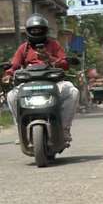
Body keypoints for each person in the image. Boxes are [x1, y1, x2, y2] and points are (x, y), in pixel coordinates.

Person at [3, 14, 79, 144]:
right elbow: (15, 64)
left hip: (53, 83)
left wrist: (49, 58)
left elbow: (65, 63)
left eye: (39, 30)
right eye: (33, 30)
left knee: (73, 92)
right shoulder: (23, 48)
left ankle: (64, 129)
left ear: (45, 30)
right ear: (28, 31)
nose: (36, 32)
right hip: (28, 85)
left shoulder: (54, 45)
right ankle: (21, 131)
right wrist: (8, 74)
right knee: (11, 96)